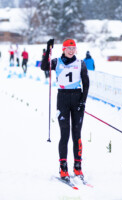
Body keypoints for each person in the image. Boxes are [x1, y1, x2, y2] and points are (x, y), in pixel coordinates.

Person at [41, 39, 89, 181]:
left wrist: (83, 101)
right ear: (63, 49)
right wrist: (47, 51)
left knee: (77, 134)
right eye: (68, 48)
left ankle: (77, 166)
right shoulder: (56, 62)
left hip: (77, 98)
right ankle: (63, 167)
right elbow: (44, 67)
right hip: (62, 98)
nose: (71, 51)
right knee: (65, 134)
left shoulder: (81, 63)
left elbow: (86, 83)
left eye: (73, 48)